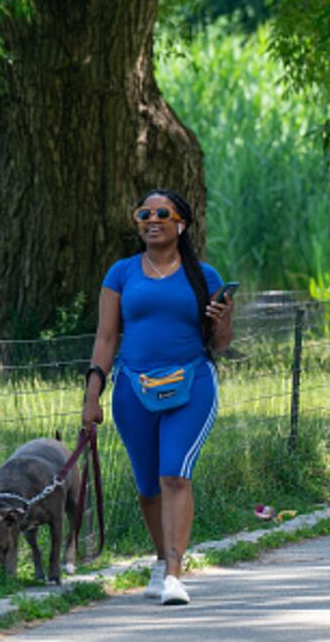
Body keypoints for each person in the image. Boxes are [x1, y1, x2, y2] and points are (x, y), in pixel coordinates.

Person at [81, 189, 234, 606]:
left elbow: (219, 344)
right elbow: (106, 337)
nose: (152, 220)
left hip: (192, 383)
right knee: (148, 484)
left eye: (162, 214)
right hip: (133, 387)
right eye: (143, 213)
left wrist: (223, 318)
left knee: (174, 475)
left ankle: (173, 573)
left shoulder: (205, 277)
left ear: (180, 224)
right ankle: (160, 556)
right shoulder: (122, 273)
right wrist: (92, 395)